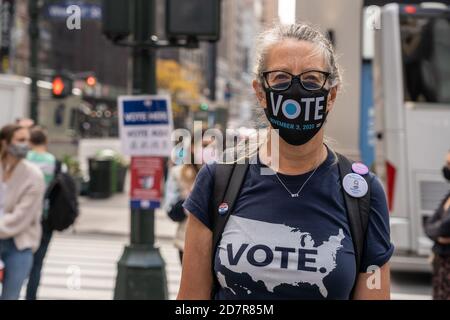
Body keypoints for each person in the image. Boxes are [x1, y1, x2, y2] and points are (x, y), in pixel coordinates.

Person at [177, 23, 394, 300]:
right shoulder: (219, 179)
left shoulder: (363, 193)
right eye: (280, 79)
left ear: (332, 95)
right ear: (260, 92)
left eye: (312, 81)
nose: (296, 91)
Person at [0, 124, 46, 300]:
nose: (26, 144)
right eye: (20, 140)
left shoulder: (33, 175)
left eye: (27, 140)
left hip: (18, 245)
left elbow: (21, 217)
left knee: (10, 297)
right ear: (5, 142)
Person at [164, 134, 216, 264]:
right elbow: (172, 212)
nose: (210, 149)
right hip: (187, 243)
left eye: (214, 145)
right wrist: (193, 198)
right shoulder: (178, 173)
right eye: (204, 145)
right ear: (192, 147)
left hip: (217, 245)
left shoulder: (225, 175)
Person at [25, 127, 57, 300]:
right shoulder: (54, 162)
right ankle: (31, 297)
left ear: (30, 142)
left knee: (16, 259)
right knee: (37, 264)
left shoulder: (24, 159)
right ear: (45, 142)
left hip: (23, 217)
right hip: (45, 217)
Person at [424, 150, 450, 300]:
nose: (446, 168)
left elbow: (444, 227)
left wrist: (436, 231)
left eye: (449, 164)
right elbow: (429, 225)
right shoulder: (448, 195)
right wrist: (438, 235)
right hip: (440, 264)